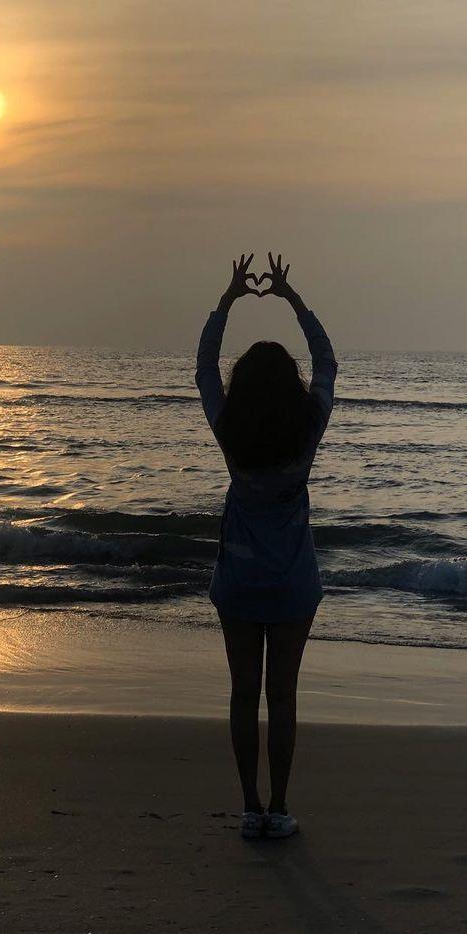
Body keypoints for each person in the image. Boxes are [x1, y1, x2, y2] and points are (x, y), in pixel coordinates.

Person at [194, 252, 338, 839]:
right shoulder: (307, 431)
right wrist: (292, 299)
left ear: (243, 387)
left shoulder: (230, 431)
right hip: (293, 581)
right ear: (290, 387)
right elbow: (328, 362)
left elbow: (203, 365)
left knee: (242, 692)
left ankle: (250, 808)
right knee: (282, 696)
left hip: (238, 581)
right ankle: (279, 808)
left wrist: (228, 299)